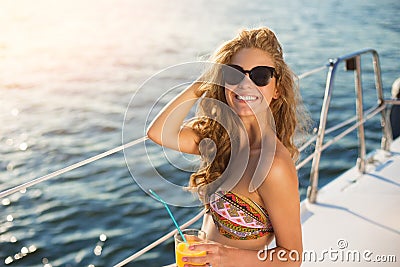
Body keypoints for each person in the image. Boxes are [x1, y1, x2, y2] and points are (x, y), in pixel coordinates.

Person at [147, 27, 309, 267]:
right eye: (234, 74)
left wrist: (222, 256)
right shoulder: (221, 141)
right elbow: (158, 132)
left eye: (261, 75)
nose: (245, 84)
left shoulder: (272, 166)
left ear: (276, 89)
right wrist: (201, 85)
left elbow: (292, 257)